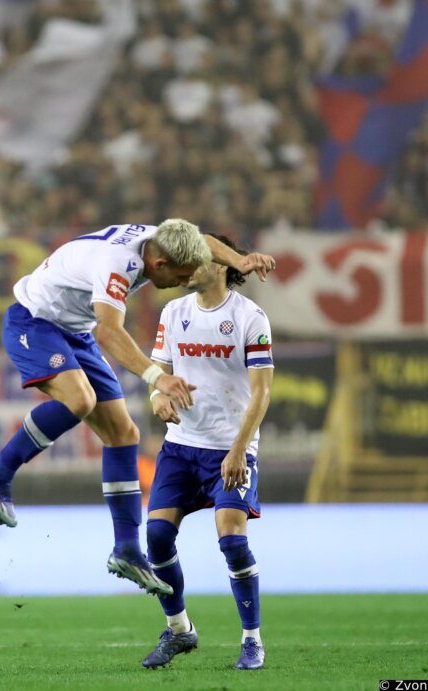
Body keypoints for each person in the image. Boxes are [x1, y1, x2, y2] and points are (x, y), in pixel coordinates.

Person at [0, 219, 275, 595]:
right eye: (180, 275)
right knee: (80, 399)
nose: (183, 282)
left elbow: (206, 240)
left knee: (123, 433)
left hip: (74, 329)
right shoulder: (118, 264)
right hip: (36, 321)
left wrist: (239, 261)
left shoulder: (163, 238)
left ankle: (127, 549)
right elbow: (110, 332)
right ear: (160, 265)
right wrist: (157, 378)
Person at [138, 235, 272, 670]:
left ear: (220, 265)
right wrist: (157, 399)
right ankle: (179, 630)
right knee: (156, 538)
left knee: (232, 542)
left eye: (196, 259)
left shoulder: (250, 318)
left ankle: (252, 640)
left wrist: (238, 450)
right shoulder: (173, 312)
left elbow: (262, 392)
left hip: (230, 452)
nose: (186, 266)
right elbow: (161, 376)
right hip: (181, 449)